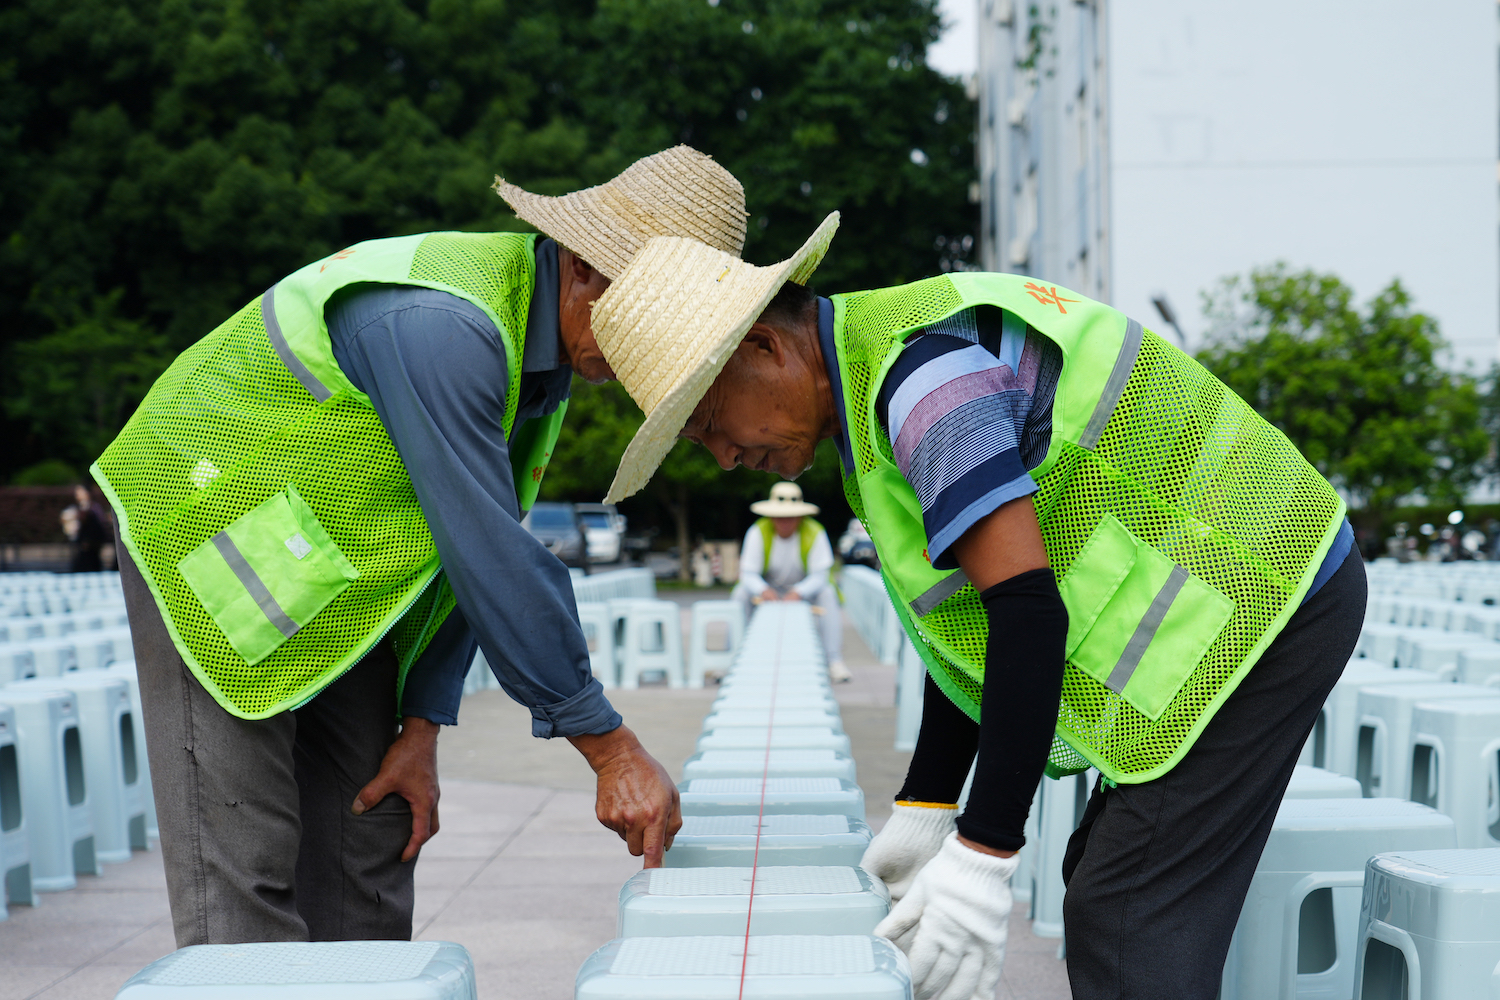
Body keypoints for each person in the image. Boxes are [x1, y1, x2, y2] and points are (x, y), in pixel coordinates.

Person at [586, 224, 1364, 1000]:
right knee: (1107, 882)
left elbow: (1026, 613)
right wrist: (929, 805)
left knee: (1127, 907)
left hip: (1269, 600)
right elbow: (972, 632)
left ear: (765, 348)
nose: (723, 455)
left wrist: (985, 851)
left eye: (713, 420)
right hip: (1239, 595)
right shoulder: (873, 384)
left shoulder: (924, 384)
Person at [89, 147, 750, 946]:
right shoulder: (447, 326)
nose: (638, 366)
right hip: (203, 536)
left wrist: (421, 723)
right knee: (247, 867)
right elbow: (491, 556)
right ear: (582, 268)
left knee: (371, 841)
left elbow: (463, 548)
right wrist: (608, 748)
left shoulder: (542, 359)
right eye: (642, 331)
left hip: (328, 571)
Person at [733, 481, 848, 682]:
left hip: (804, 591)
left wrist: (799, 591)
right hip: (768, 590)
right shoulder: (757, 531)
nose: (784, 521)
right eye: (779, 517)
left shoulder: (815, 532)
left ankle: (834, 660)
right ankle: (733, 657)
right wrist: (762, 589)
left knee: (828, 593)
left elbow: (820, 576)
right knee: (740, 594)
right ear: (771, 516)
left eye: (790, 516)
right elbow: (748, 574)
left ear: (800, 516)